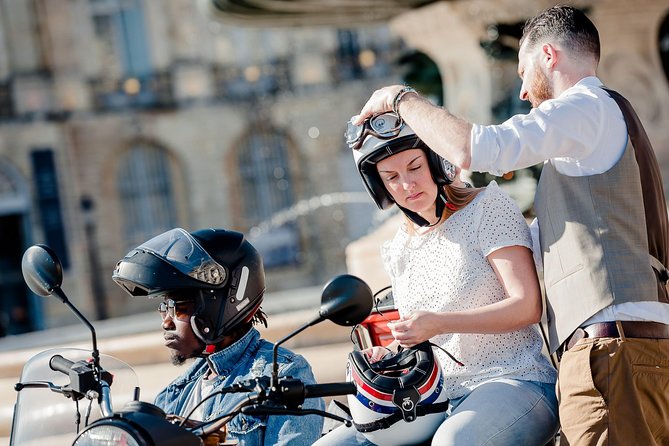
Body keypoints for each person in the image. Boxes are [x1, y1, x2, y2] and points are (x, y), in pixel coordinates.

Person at [352, 5, 669, 446]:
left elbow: (478, 149)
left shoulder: (586, 106)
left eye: (523, 72)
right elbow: (552, 248)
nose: (522, 91)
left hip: (609, 348)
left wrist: (399, 98)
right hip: (624, 343)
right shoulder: (599, 127)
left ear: (549, 56)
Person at [316, 112, 558, 445]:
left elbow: (527, 306)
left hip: (514, 380)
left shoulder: (487, 206)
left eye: (415, 167)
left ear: (437, 161)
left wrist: (440, 323)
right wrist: (391, 352)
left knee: (453, 442)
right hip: (434, 398)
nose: (406, 184)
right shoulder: (399, 247)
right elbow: (424, 335)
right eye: (391, 177)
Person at [112, 227, 324, 446]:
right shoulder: (174, 394)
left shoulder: (283, 376)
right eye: (164, 308)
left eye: (179, 307)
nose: (166, 322)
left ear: (221, 306)